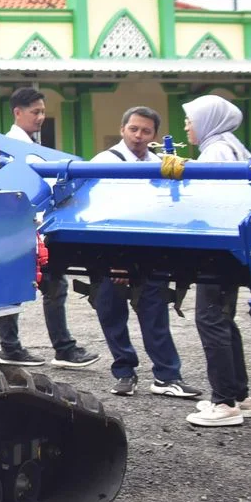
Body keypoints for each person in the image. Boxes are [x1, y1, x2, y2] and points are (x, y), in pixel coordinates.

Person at [88, 106, 201, 399]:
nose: (139, 136)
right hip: (111, 247)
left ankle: (167, 376)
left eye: (146, 131)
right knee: (111, 312)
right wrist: (115, 261)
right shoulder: (104, 161)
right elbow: (98, 211)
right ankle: (124, 372)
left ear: (155, 135)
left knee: (155, 312)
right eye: (134, 129)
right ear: (123, 128)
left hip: (149, 250)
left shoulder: (161, 163)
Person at [0, 87, 99, 369]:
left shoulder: (32, 145)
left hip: (40, 225)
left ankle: (58, 347)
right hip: (18, 226)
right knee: (15, 287)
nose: (41, 117)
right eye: (35, 112)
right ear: (17, 113)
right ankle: (14, 348)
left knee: (53, 285)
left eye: (42, 111)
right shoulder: (9, 146)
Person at [183, 94, 251, 428]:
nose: (187, 125)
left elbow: (209, 199)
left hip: (216, 246)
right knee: (224, 320)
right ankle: (240, 395)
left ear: (208, 120)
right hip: (231, 248)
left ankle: (224, 402)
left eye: (191, 119)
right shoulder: (232, 145)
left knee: (211, 319)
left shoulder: (216, 151)